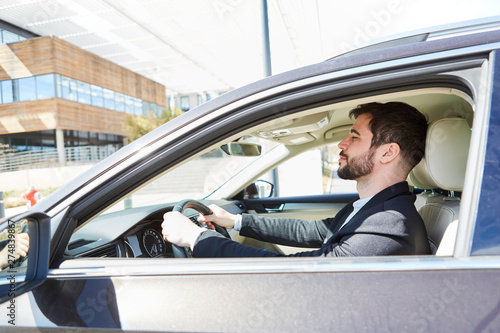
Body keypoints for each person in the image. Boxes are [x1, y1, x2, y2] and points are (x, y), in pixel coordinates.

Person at [162, 102, 431, 257]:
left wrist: (197, 238)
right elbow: (315, 233)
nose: (342, 143)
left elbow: (303, 273)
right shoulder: (371, 207)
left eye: (355, 136)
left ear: (388, 152)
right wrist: (235, 221)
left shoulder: (390, 223)